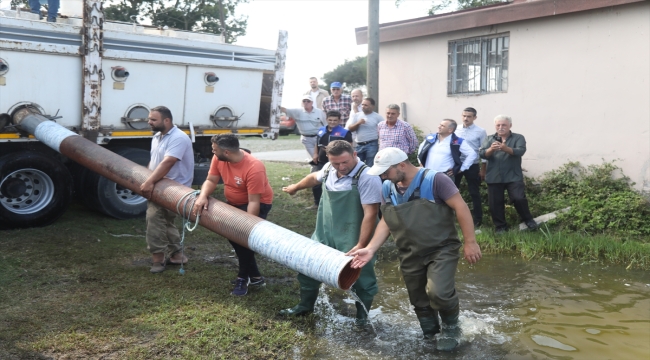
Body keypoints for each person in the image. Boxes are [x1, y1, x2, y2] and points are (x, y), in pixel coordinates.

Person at [347, 147, 482, 351]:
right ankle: (430, 333)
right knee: (418, 298)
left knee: (439, 293)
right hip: (409, 250)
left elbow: (461, 207)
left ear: (402, 164)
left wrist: (470, 242)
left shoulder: (436, 180)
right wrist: (371, 248)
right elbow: (386, 221)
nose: (383, 175)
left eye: (386, 171)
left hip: (441, 248)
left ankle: (451, 328)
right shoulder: (387, 187)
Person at [280, 140, 382, 326]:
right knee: (307, 267)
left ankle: (362, 319)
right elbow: (314, 178)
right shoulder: (328, 168)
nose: (341, 167)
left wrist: (361, 245)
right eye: (336, 163)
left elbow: (370, 214)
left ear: (354, 155)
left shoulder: (367, 176)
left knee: (362, 279)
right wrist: (296, 187)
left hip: (353, 237)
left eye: (345, 162)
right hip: (324, 233)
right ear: (329, 159)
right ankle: (304, 306)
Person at [193, 134, 274, 296]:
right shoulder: (219, 158)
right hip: (235, 203)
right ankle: (255, 276)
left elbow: (254, 202)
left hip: (258, 202)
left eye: (215, 150)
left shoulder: (254, 167)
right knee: (234, 236)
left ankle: (243, 278)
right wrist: (202, 197)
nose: (212, 152)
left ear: (227, 152)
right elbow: (211, 180)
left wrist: (247, 227)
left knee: (243, 239)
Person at [141, 106, 194, 274]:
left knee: (154, 218)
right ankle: (178, 255)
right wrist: (146, 177)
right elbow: (155, 161)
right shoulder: (157, 137)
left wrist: (149, 182)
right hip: (160, 184)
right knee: (166, 220)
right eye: (149, 119)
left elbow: (168, 162)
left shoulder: (178, 138)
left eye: (153, 120)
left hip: (173, 188)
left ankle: (158, 259)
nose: (149, 122)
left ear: (167, 120)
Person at [479, 115, 537, 233]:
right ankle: (500, 227)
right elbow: (482, 154)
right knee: (495, 203)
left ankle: (528, 220)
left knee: (518, 198)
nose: (501, 127)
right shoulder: (489, 139)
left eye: (504, 125)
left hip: (513, 175)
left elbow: (520, 151)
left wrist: (506, 148)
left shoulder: (518, 137)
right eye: (498, 125)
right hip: (494, 176)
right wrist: (491, 149)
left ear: (510, 125)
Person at [281, 97, 326, 210]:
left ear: (312, 103)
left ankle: (316, 178)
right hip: (306, 138)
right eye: (304, 101)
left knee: (319, 161)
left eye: (308, 101)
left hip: (318, 137)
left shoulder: (319, 112)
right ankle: (315, 181)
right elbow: (283, 109)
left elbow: (325, 125)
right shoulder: (298, 111)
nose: (306, 103)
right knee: (316, 161)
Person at [311, 111, 353, 208]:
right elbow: (316, 144)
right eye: (330, 120)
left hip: (336, 162)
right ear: (326, 119)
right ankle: (317, 203)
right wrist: (315, 154)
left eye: (335, 120)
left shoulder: (344, 132)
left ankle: (334, 203)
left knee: (335, 182)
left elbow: (350, 147)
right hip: (321, 160)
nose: (332, 122)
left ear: (339, 120)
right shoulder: (321, 130)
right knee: (315, 180)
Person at [454, 107, 487, 227]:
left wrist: (483, 169)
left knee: (474, 192)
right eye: (464, 116)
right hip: (456, 165)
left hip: (472, 165)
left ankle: (477, 220)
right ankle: (451, 218)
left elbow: (483, 150)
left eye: (469, 116)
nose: (466, 118)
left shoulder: (480, 131)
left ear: (474, 117)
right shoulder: (455, 129)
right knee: (451, 191)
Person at [345, 98, 384, 166]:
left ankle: (370, 177)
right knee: (357, 165)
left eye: (366, 105)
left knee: (370, 165)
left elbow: (383, 129)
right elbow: (350, 129)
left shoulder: (378, 117)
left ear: (372, 106)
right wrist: (358, 123)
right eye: (362, 105)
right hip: (359, 144)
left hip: (372, 144)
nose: (363, 106)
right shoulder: (357, 115)